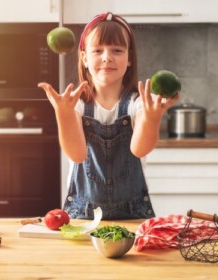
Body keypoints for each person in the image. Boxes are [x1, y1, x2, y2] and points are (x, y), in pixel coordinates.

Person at [38, 12, 179, 220]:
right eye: (97, 50)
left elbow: (139, 149)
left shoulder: (138, 104)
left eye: (117, 50)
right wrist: (64, 114)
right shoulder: (75, 105)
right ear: (84, 58)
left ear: (129, 58)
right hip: (81, 216)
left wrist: (152, 117)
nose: (107, 57)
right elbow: (77, 154)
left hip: (134, 216)